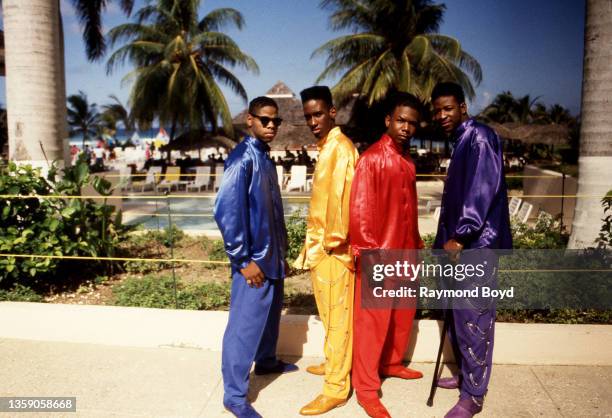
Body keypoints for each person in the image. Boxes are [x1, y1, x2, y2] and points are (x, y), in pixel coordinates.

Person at [431, 82, 512, 418]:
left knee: (475, 319)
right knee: (459, 318)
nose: (441, 115)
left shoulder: (479, 136)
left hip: (476, 245)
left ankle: (474, 397)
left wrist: (461, 236)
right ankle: (466, 376)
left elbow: (481, 191)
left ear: (462, 107)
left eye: (447, 108)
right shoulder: (462, 139)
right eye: (437, 111)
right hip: (460, 246)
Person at [214, 96, 298, 418]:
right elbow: (226, 213)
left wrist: (281, 255)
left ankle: (266, 362)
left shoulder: (265, 158)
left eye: (276, 121)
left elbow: (271, 214)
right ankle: (234, 396)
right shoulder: (242, 159)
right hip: (253, 262)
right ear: (250, 120)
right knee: (243, 328)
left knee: (270, 318)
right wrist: (243, 261)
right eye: (265, 120)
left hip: (271, 258)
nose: (272, 125)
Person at [349, 92, 425, 418]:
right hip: (380, 254)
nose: (406, 127)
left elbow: (409, 210)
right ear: (388, 121)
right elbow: (361, 209)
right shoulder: (371, 159)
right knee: (372, 325)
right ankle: (366, 390)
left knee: (401, 315)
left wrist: (417, 244)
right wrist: (368, 252)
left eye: (412, 123)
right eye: (401, 120)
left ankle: (392, 363)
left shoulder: (407, 161)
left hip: (406, 251)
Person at [293, 86, 359, 415]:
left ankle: (335, 387)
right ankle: (335, 364)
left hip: (333, 249)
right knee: (330, 317)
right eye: (308, 116)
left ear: (332, 112)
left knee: (337, 320)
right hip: (321, 248)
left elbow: (343, 202)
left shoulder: (341, 149)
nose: (313, 121)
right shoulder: (326, 147)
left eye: (318, 114)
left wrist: (333, 245)